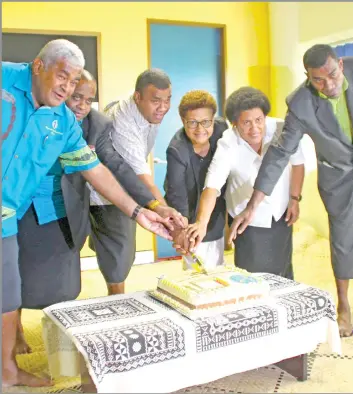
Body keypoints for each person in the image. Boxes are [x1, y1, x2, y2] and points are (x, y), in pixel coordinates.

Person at [2, 39, 173, 388]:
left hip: (7, 217)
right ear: (39, 66)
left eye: (74, 81)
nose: (67, 88)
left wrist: (139, 211)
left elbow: (96, 170)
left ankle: (6, 369)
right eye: (62, 76)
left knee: (8, 292)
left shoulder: (64, 122)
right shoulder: (5, 79)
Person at [227, 45, 353, 337]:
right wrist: (253, 205)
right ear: (308, 77)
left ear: (340, 64)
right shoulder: (300, 103)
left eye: (333, 75)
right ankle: (343, 307)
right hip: (339, 178)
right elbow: (278, 155)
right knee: (342, 241)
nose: (329, 85)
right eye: (318, 80)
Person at [185, 87, 305, 278]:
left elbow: (298, 163)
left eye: (259, 120)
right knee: (252, 277)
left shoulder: (282, 129)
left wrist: (294, 198)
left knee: (283, 271)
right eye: (246, 123)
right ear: (234, 124)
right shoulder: (228, 143)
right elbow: (212, 186)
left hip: (280, 212)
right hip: (246, 220)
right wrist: (201, 223)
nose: (255, 128)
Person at [88, 69, 187, 295]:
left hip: (127, 188)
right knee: (120, 255)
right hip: (105, 192)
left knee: (118, 250)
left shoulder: (150, 113)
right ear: (138, 97)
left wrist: (164, 212)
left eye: (167, 100)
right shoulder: (124, 121)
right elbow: (139, 175)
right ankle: (117, 303)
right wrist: (166, 213)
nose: (162, 107)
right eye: (156, 101)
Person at [164, 90, 228, 270]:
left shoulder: (223, 130)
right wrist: (183, 230)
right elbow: (177, 193)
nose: (200, 129)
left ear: (213, 119)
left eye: (206, 122)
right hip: (190, 210)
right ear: (183, 121)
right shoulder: (177, 150)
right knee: (197, 265)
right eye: (192, 122)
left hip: (215, 206)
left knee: (218, 262)